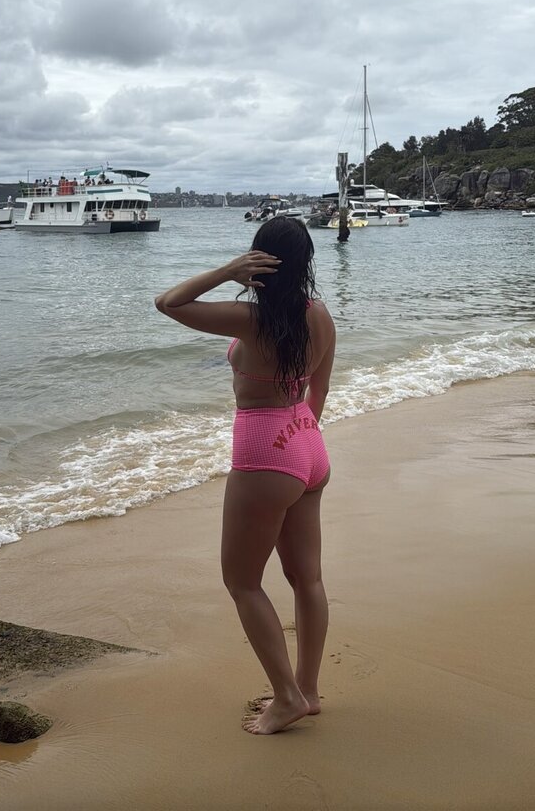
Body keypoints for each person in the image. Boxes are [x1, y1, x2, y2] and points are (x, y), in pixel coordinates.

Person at [155, 217, 335, 735]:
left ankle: (286, 698)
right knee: (307, 577)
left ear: (258, 260)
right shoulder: (319, 314)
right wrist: (297, 443)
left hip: (264, 451)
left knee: (242, 581)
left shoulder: (250, 319)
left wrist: (226, 271)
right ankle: (308, 690)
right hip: (308, 445)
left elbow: (168, 303)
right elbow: (318, 392)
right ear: (306, 262)